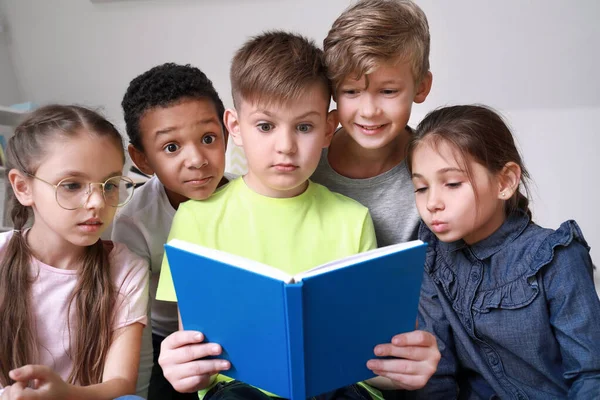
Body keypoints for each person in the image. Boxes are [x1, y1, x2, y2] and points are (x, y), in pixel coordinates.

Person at [156, 30, 439, 400]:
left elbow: (371, 361)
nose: (286, 146)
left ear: (328, 129)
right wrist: (183, 368)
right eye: (265, 126)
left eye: (304, 127)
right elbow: (198, 362)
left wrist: (403, 367)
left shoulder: (352, 219)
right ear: (235, 128)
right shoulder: (196, 219)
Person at [407, 105, 600, 398]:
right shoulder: (432, 257)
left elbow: (590, 375)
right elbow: (437, 376)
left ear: (505, 182)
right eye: (421, 188)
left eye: (453, 184)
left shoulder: (556, 257)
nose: (432, 202)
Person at [0, 105, 149, 399]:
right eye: (72, 185)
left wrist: (64, 394)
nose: (96, 202)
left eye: (109, 185)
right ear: (22, 187)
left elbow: (121, 385)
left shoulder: (126, 267)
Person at [113, 63, 233, 400]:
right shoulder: (134, 222)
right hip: (168, 340)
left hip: (238, 328)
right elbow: (131, 316)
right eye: (171, 147)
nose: (197, 159)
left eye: (208, 138)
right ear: (142, 159)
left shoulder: (252, 196)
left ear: (227, 131)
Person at [312, 0, 433, 247]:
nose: (369, 111)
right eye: (351, 91)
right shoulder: (306, 160)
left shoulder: (438, 169)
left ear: (421, 87)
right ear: (332, 90)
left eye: (388, 91)